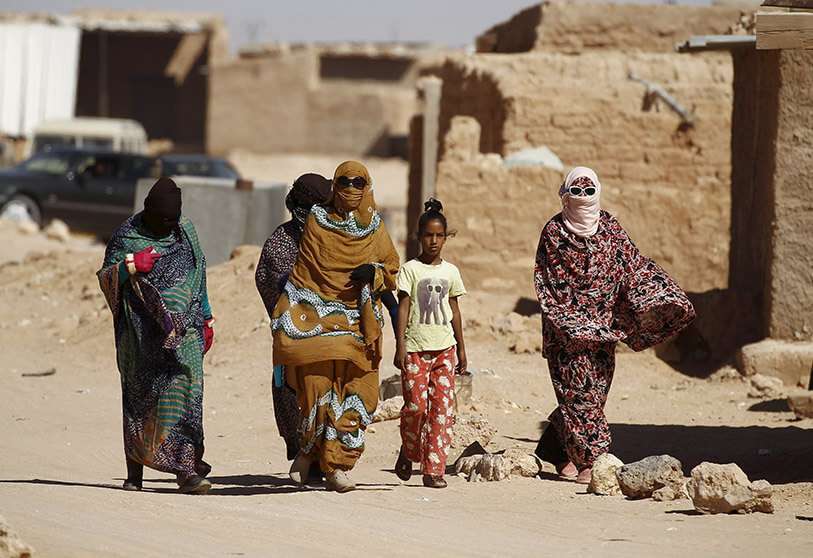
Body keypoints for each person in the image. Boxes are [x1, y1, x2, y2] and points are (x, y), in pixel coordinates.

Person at [533, 167, 695, 484]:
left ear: (598, 192)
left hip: (604, 330)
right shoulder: (554, 233)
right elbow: (547, 280)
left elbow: (632, 264)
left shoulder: (609, 229)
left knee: (594, 395)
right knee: (580, 396)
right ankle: (591, 461)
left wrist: (662, 298)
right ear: (564, 194)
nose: (581, 198)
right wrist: (571, 320)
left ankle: (558, 448)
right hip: (567, 332)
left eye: (588, 191)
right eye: (575, 192)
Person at [271, 161, 400, 493]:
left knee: (361, 395)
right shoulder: (318, 221)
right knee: (317, 392)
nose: (352, 189)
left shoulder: (374, 227)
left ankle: (327, 457)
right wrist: (288, 314)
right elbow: (304, 274)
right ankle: (328, 463)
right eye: (345, 182)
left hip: (359, 321)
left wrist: (371, 273)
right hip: (318, 318)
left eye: (360, 183)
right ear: (335, 186)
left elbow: (391, 270)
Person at [97, 177, 215, 494]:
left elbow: (199, 272)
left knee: (188, 393)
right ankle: (134, 473)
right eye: (162, 220)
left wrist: (207, 316)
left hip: (186, 329)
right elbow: (106, 277)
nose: (168, 226)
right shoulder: (127, 235)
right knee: (140, 397)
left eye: (172, 220)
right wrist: (132, 265)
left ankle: (186, 469)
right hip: (139, 335)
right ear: (148, 212)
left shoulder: (185, 231)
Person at [255, 173, 332, 468]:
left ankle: (326, 454)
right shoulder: (280, 243)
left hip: (331, 332)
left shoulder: (334, 239)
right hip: (295, 333)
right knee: (291, 390)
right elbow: (270, 284)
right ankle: (301, 448)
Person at [393, 198, 467, 489]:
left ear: (446, 238)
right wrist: (400, 345)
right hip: (414, 349)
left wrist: (461, 348)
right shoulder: (410, 270)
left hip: (444, 349)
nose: (434, 241)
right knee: (416, 408)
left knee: (442, 409)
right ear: (419, 237)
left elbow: (455, 311)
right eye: (428, 235)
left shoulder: (451, 272)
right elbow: (403, 308)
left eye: (439, 235)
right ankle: (409, 450)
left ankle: (433, 469)